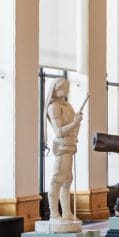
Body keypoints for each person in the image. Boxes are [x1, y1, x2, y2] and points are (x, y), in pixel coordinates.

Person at [44, 78, 84, 223]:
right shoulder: (53, 107)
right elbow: (59, 131)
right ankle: (54, 214)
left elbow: (73, 131)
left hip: (70, 145)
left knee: (67, 180)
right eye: (66, 87)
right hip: (62, 147)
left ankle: (66, 212)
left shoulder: (67, 105)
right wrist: (74, 123)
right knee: (57, 179)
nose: (68, 90)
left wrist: (77, 122)